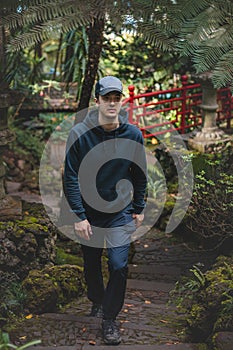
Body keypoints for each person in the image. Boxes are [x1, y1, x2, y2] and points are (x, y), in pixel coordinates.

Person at [63, 76, 147, 345]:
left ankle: (110, 319)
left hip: (119, 210)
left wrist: (139, 207)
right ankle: (97, 300)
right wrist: (79, 215)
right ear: (96, 100)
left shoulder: (133, 134)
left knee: (119, 265)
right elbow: (70, 177)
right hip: (88, 210)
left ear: (121, 100)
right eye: (106, 98)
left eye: (116, 98)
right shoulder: (79, 134)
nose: (112, 103)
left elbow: (139, 174)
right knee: (91, 262)